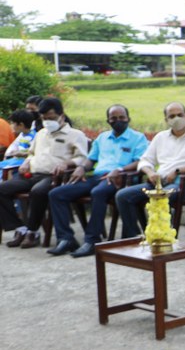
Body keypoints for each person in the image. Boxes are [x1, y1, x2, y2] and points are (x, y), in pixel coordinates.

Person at [46, 104, 148, 257]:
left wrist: (120, 170)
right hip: (97, 176)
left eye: (122, 117)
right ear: (108, 120)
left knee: (98, 192)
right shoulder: (102, 137)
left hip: (120, 179)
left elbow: (141, 161)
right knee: (56, 193)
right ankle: (66, 239)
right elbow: (91, 159)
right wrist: (82, 167)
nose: (118, 121)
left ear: (128, 119)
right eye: (113, 118)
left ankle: (92, 240)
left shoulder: (138, 138)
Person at [115, 102, 185, 241]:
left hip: (184, 184)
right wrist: (150, 173)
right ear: (166, 120)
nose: (176, 118)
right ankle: (135, 237)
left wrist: (178, 171)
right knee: (122, 196)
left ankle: (162, 238)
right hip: (158, 182)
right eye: (172, 116)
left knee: (160, 197)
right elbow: (144, 161)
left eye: (180, 115)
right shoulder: (160, 137)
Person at [0, 97, 88, 248]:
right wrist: (27, 162)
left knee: (38, 191)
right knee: (2, 189)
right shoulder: (41, 133)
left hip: (55, 176)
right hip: (32, 173)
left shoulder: (75, 135)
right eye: (44, 118)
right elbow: (31, 153)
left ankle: (32, 232)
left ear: (61, 115)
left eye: (51, 118)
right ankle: (20, 228)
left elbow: (82, 158)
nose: (47, 121)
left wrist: (67, 163)